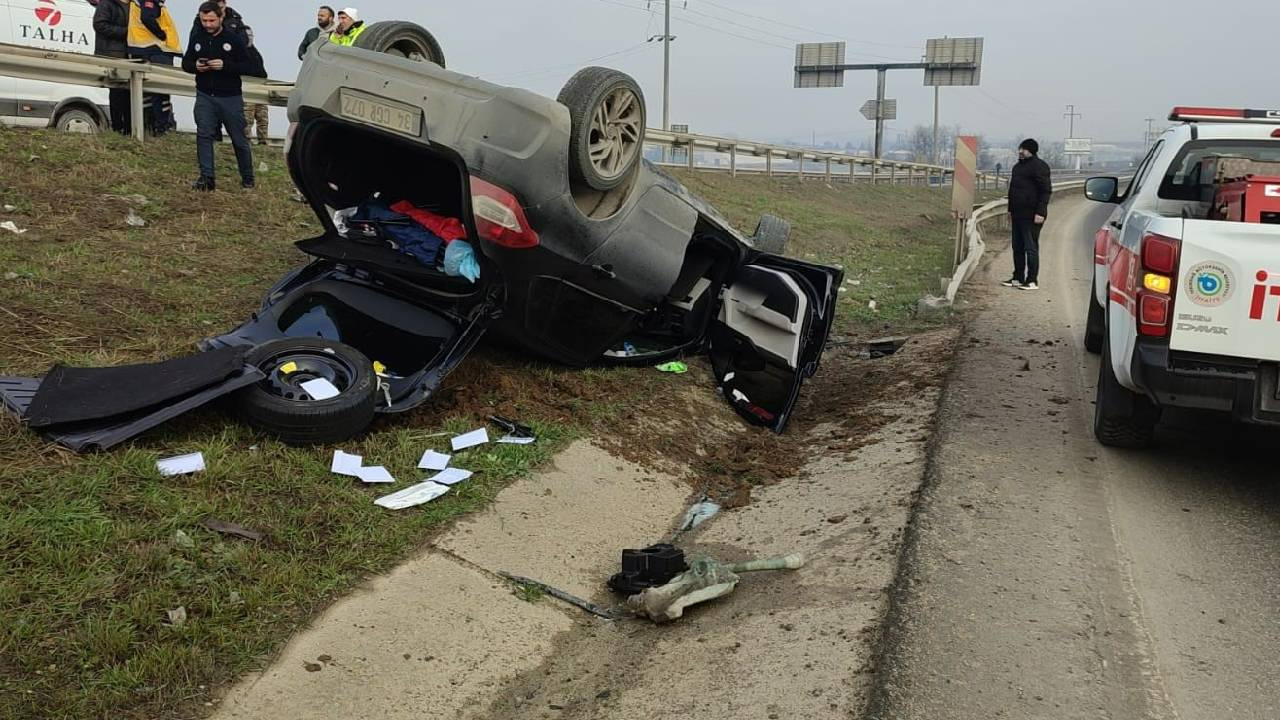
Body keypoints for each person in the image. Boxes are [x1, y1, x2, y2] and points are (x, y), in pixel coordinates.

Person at [182, 1, 255, 191]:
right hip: (205, 95)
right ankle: (207, 178)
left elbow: (249, 66)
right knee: (204, 135)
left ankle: (247, 178)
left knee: (239, 139)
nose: (207, 24)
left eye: (211, 20)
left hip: (230, 97)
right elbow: (186, 62)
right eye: (204, 20)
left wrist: (225, 66)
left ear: (220, 17)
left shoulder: (233, 39)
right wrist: (195, 66)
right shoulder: (197, 37)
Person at [1003, 138, 1053, 291]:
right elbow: (1013, 191)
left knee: (1031, 247)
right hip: (1017, 214)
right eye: (1020, 149)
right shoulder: (1017, 167)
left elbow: (1046, 191)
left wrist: (1040, 212)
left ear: (1031, 150)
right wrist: (1010, 211)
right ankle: (1018, 277)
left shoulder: (1040, 167)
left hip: (1032, 215)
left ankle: (1032, 280)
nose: (1020, 151)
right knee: (1017, 247)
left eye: (1023, 149)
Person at [127, 0, 181, 135]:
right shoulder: (149, 1)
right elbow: (146, 17)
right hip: (155, 50)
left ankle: (149, 128)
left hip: (143, 50)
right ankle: (161, 128)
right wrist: (161, 34)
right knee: (161, 92)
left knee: (146, 93)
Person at [92, 0, 131, 135]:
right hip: (112, 55)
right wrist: (126, 32)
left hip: (130, 56)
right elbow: (99, 24)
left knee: (129, 95)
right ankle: (117, 129)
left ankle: (129, 130)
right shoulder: (107, 3)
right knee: (117, 93)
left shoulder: (135, 5)